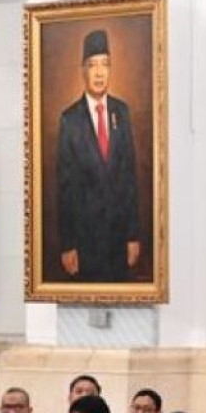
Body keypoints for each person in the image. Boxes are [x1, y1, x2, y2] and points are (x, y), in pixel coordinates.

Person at [56, 29, 141, 283]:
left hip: (118, 239)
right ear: (83, 70)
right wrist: (67, 245)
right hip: (85, 243)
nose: (100, 72)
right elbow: (65, 188)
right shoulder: (69, 119)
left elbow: (130, 178)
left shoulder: (121, 112)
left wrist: (133, 236)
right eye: (93, 65)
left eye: (105, 64)